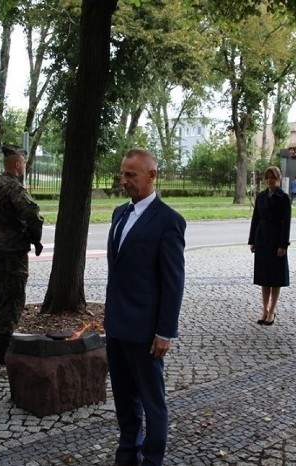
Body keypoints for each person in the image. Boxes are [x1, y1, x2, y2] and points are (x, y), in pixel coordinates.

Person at [105, 148, 186, 466]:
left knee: (153, 402)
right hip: (117, 326)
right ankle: (127, 453)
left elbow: (172, 282)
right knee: (125, 400)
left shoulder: (169, 221)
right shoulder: (119, 214)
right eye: (122, 174)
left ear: (152, 176)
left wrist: (165, 331)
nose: (123, 180)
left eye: (130, 175)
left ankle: (152, 458)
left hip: (145, 331)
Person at [0, 145, 44, 365]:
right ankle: (2, 355)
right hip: (14, 251)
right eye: (24, 164)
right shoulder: (14, 188)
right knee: (13, 298)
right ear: (18, 164)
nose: (24, 168)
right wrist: (34, 239)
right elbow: (32, 214)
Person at [248, 166, 291, 326]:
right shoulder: (261, 197)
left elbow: (286, 223)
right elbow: (255, 219)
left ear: (278, 178)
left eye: (273, 177)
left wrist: (283, 245)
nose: (270, 180)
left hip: (276, 239)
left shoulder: (283, 198)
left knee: (275, 278)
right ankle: (264, 309)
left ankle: (272, 310)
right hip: (262, 239)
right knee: (264, 277)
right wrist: (252, 241)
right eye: (267, 178)